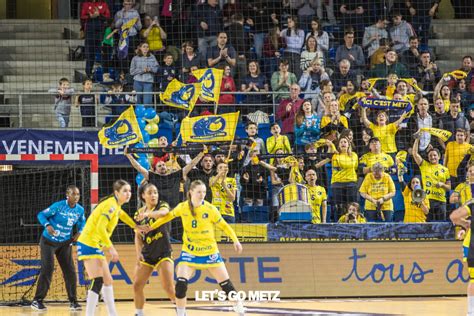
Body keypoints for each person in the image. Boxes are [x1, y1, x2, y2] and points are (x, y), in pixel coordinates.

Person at [148, 180, 244, 316]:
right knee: (180, 286)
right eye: (199, 192)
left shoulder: (210, 209)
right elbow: (167, 217)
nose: (202, 195)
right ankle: (181, 313)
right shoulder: (183, 207)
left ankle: (239, 308)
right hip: (190, 252)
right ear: (191, 192)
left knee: (226, 285)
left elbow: (224, 226)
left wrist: (236, 240)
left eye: (204, 192)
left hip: (210, 252)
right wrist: (151, 227)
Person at [77, 180, 148, 316]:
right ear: (116, 193)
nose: (128, 194)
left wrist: (136, 227)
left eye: (130, 191)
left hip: (95, 244)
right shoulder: (110, 205)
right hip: (88, 244)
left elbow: (123, 216)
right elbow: (100, 228)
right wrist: (111, 248)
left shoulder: (116, 205)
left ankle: (112, 314)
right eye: (125, 191)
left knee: (108, 281)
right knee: (98, 280)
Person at [31, 186, 85, 311]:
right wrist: (47, 225)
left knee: (70, 272)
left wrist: (80, 232)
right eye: (73, 194)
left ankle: (73, 302)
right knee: (48, 269)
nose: (76, 196)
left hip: (65, 244)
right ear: (67, 195)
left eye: (78, 194)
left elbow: (83, 222)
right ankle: (37, 300)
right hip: (48, 242)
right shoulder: (58, 206)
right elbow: (41, 215)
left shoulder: (80, 210)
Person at [133, 183, 175, 316]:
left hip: (163, 251)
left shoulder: (162, 205)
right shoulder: (138, 214)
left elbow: (164, 213)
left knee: (168, 287)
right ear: (143, 196)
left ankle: (181, 310)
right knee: (137, 285)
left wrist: (148, 214)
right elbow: (138, 236)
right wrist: (138, 253)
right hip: (148, 253)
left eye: (155, 192)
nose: (154, 195)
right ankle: (139, 313)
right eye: (150, 193)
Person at [412, 137, 451, 221]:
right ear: (428, 157)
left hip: (441, 201)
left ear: (439, 156)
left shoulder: (445, 170)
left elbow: (449, 187)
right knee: (429, 226)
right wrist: (417, 139)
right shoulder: (424, 165)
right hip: (428, 201)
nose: (432, 157)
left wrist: (442, 185)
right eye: (430, 155)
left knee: (441, 227)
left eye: (434, 155)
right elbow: (415, 153)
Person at [449, 195, 474, 316]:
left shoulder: (471, 204)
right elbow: (455, 217)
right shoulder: (470, 204)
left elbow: (455, 217)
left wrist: (465, 225)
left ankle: (471, 312)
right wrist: (465, 226)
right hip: (470, 243)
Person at [331, 136, 358, 221]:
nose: (343, 143)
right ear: (338, 145)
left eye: (345, 142)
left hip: (351, 182)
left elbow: (354, 166)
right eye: (341, 142)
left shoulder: (354, 155)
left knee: (351, 206)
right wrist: (347, 167)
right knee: (339, 207)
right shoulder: (335, 156)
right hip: (337, 183)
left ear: (348, 144)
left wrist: (343, 167)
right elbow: (338, 167)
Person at [81, 0, 111, 78]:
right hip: (89, 32)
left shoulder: (103, 3)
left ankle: (105, 75)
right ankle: (88, 74)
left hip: (101, 31)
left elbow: (108, 16)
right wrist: (90, 16)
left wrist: (99, 15)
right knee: (90, 54)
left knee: (103, 53)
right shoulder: (86, 3)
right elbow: (82, 16)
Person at [130, 42, 159, 107]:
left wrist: (150, 69)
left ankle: (147, 116)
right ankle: (138, 116)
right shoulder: (135, 58)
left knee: (147, 102)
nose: (146, 48)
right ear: (140, 48)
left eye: (147, 47)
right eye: (144, 46)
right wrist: (142, 70)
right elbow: (131, 72)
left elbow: (156, 69)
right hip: (137, 82)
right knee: (138, 101)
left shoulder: (152, 57)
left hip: (148, 82)